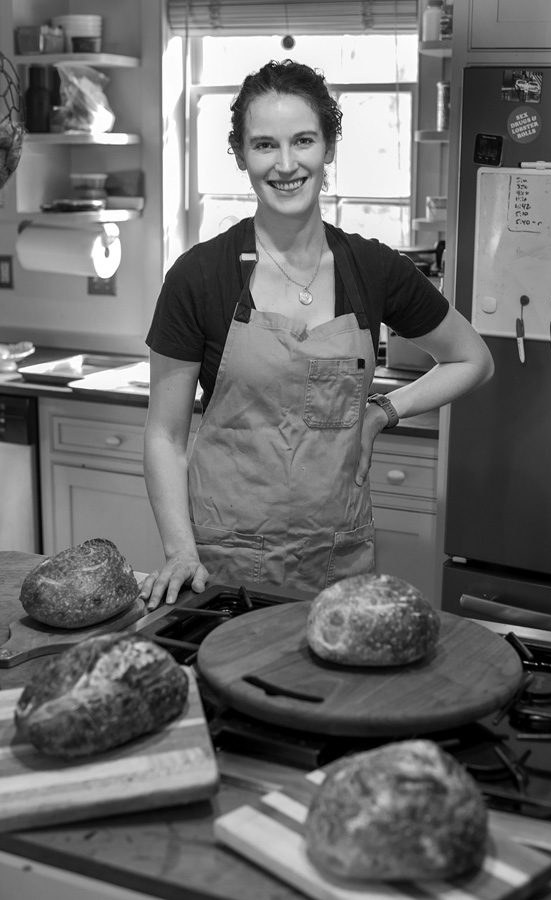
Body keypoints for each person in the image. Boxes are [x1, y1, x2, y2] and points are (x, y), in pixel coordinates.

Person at [140, 59, 494, 610]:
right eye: (264, 145)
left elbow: (472, 359)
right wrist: (179, 550)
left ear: (329, 147)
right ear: (240, 156)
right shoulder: (200, 275)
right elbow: (164, 436)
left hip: (338, 563)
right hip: (223, 569)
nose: (286, 164)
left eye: (303, 140)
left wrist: (382, 412)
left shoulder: (374, 269)